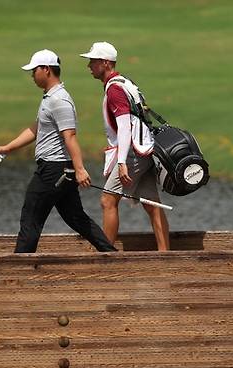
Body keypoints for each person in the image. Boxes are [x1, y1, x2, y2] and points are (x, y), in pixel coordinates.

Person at [0, 49, 116, 253]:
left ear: (46, 70)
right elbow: (36, 129)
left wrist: (80, 169)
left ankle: (19, 267)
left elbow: (70, 137)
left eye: (34, 70)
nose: (32, 75)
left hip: (53, 170)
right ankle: (111, 255)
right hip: (59, 170)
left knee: (31, 216)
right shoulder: (50, 98)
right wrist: (7, 148)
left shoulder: (59, 101)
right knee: (76, 218)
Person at [80, 42, 170, 251]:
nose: (89, 66)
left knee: (107, 200)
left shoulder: (114, 90)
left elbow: (123, 126)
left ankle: (107, 255)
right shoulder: (125, 82)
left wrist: (121, 162)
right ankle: (165, 254)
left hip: (132, 153)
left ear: (105, 63)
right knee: (152, 203)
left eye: (93, 61)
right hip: (146, 149)